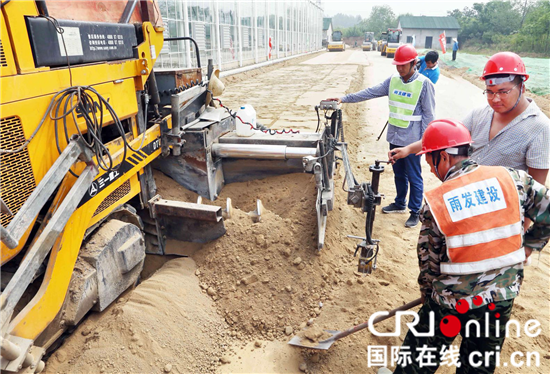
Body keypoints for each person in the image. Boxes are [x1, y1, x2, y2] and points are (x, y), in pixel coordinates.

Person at [378, 119, 550, 374]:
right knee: (477, 365)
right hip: (501, 295)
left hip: (451, 300)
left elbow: (429, 262)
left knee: (418, 359)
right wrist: (530, 246)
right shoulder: (512, 178)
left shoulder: (436, 202)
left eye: (429, 161)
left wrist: (428, 295)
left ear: (444, 157)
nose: (431, 168)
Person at [389, 52, 549, 186]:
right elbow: (446, 139)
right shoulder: (480, 114)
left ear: (522, 87)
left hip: (503, 213)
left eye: (503, 91)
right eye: (490, 91)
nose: (495, 99)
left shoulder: (539, 127)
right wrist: (408, 150)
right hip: (469, 200)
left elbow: (535, 191)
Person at [326, 44, 436, 228]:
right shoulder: (393, 80)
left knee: (414, 176)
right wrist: (344, 98)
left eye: (403, 65)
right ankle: (400, 203)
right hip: (395, 136)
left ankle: (415, 211)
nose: (400, 69)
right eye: (397, 65)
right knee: (399, 173)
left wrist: (424, 143)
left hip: (412, 140)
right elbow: (371, 92)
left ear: (414, 63)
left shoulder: (424, 85)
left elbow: (429, 116)